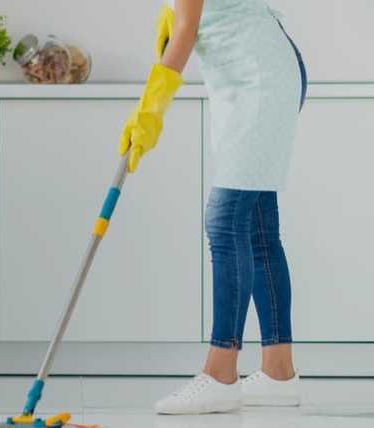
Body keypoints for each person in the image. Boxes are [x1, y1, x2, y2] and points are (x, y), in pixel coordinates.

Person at [117, 0, 308, 415]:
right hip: (251, 75)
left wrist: (150, 109)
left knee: (224, 222)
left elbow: (187, 30)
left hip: (261, 78)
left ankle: (220, 374)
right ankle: (279, 373)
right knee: (257, 227)